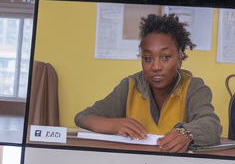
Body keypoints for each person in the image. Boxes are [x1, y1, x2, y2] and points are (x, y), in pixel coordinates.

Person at [75, 13, 222, 152]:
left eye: (165, 57)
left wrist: (187, 133)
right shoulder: (131, 86)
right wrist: (115, 125)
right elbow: (83, 117)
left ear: (179, 58)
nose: (156, 67)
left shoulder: (193, 87)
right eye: (147, 58)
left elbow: (211, 125)